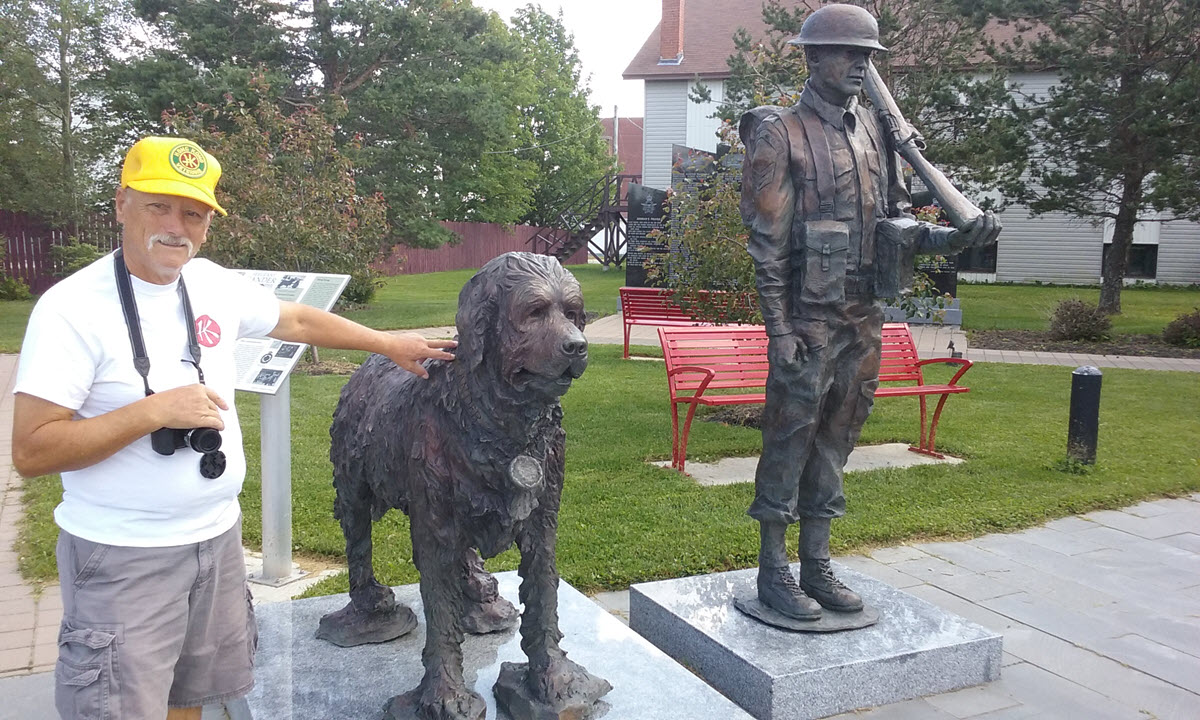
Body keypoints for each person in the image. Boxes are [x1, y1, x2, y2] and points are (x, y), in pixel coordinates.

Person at [11, 136, 456, 719]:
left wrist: (386, 343)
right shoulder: (71, 310)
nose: (177, 226)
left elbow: (294, 317)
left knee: (194, 697)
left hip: (218, 543)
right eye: (158, 206)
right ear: (121, 204)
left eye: (193, 213)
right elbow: (31, 448)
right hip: (124, 556)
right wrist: (152, 412)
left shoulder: (211, 283)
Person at [739, 5, 1000, 621]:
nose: (861, 64)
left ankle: (816, 563)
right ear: (812, 57)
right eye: (848, 53)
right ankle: (774, 569)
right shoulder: (777, 132)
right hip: (806, 319)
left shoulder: (874, 132)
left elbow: (894, 226)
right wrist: (778, 328)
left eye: (868, 56)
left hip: (863, 316)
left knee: (839, 436)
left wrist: (954, 238)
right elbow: (768, 243)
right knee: (790, 438)